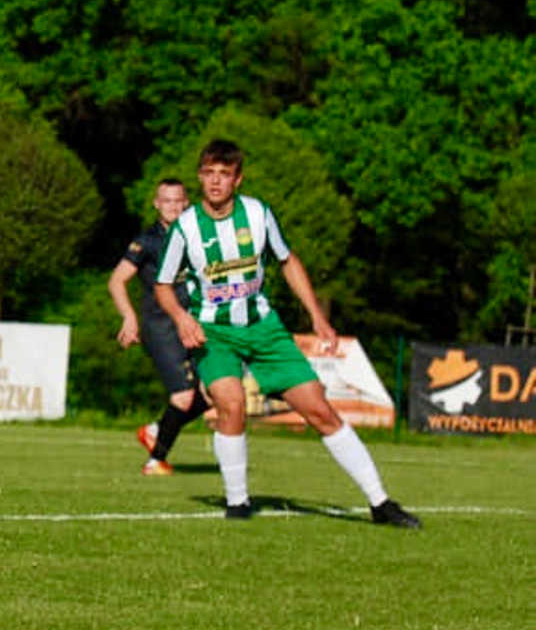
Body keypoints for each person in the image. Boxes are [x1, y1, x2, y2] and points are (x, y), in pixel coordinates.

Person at [153, 139, 420, 527]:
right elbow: (163, 285)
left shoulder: (258, 214)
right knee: (231, 404)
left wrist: (316, 316)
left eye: (224, 174)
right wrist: (181, 318)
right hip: (214, 333)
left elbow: (287, 260)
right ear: (199, 176)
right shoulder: (185, 228)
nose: (215, 182)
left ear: (237, 179)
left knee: (319, 409)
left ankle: (380, 503)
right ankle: (238, 503)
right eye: (209, 173)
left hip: (264, 329)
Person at [108, 178, 210, 475]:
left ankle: (156, 430)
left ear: (186, 203)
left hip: (193, 322)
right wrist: (129, 317)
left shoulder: (198, 236)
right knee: (183, 396)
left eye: (178, 201)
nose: (173, 206)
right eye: (167, 201)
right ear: (156, 204)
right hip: (161, 326)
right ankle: (155, 461)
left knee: (215, 391)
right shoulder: (148, 241)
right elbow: (116, 281)